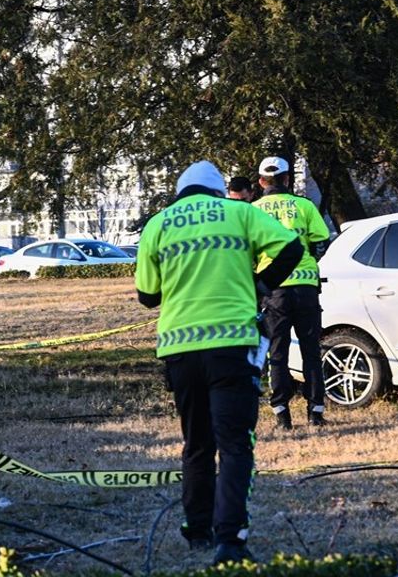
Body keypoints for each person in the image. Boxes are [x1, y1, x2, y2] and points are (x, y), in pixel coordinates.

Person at [135, 160, 302, 566]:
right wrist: (261, 284)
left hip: (179, 351)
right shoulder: (240, 211)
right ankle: (231, 539)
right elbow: (293, 247)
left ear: (180, 192)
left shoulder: (158, 224)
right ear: (216, 191)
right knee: (234, 444)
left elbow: (148, 295)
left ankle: (197, 529)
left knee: (196, 442)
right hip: (232, 345)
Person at [253, 156, 331, 429]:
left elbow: (245, 254)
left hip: (273, 292)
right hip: (306, 288)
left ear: (262, 181)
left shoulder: (251, 211)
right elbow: (322, 243)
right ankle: (316, 413)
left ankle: (282, 414)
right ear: (287, 179)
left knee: (277, 353)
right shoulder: (305, 205)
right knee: (311, 351)